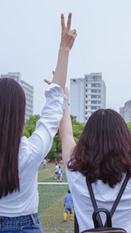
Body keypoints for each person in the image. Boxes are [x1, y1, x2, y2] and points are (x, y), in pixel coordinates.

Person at [59, 70, 131, 232]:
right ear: (124, 138)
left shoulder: (75, 173)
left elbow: (66, 135)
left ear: (86, 139)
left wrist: (63, 99)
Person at [0, 13, 75, 232]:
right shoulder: (31, 150)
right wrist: (64, 50)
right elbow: (54, 106)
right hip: (25, 225)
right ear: (20, 114)